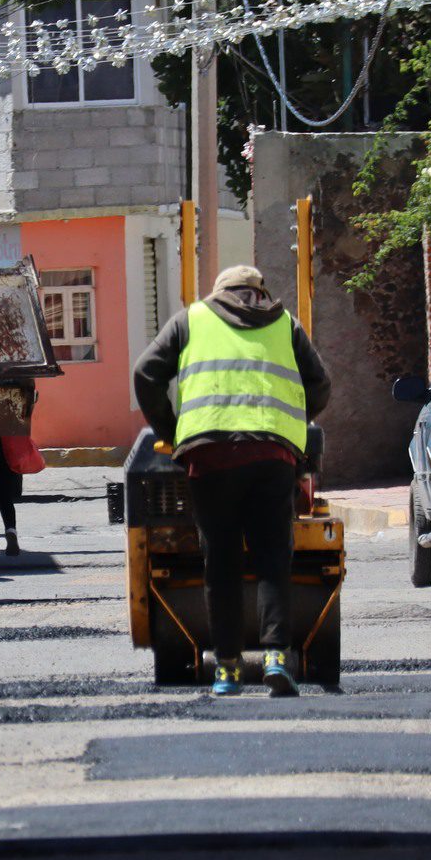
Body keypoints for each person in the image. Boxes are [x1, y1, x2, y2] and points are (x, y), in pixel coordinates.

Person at [132, 265, 330, 697]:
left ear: (219, 291)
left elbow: (145, 373)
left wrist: (172, 432)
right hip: (272, 452)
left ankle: (227, 668)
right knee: (274, 557)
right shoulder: (285, 325)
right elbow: (321, 384)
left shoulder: (190, 320)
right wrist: (292, 424)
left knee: (220, 561)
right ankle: (277, 657)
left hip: (209, 455)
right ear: (260, 293)